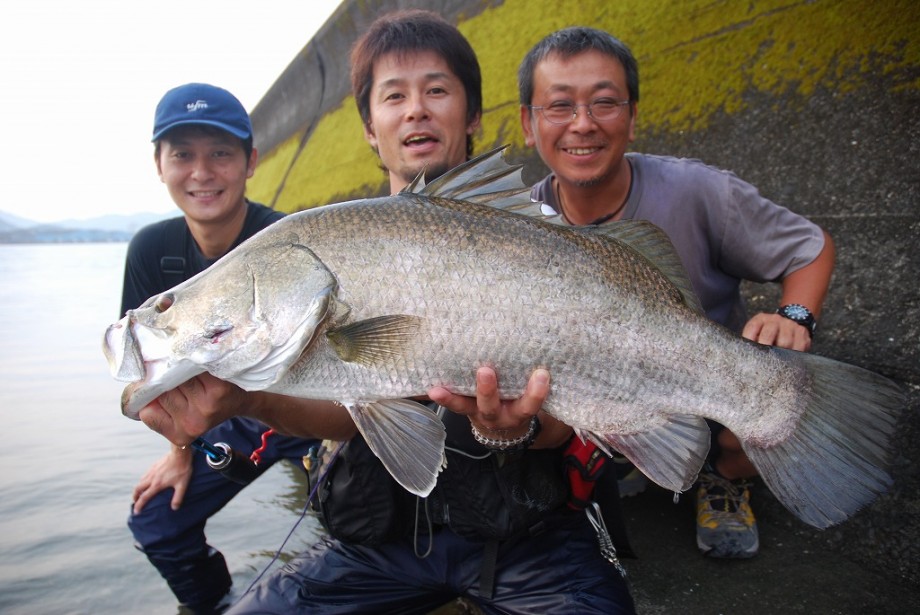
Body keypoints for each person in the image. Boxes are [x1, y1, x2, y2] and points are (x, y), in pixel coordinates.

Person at [136, 10, 636, 615]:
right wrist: (246, 399)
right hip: (377, 544)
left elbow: (575, 415)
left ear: (473, 115)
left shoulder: (548, 241)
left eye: (437, 90)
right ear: (370, 129)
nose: (416, 109)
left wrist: (520, 428)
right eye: (393, 95)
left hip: (526, 537)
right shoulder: (329, 245)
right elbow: (350, 412)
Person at [518, 27, 835, 559]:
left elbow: (810, 250)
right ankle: (617, 460)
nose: (582, 124)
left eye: (604, 103)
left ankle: (725, 476)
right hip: (585, 393)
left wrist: (795, 317)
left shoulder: (699, 191)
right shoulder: (514, 223)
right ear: (529, 123)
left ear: (633, 115)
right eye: (559, 106)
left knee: (777, 405)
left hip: (705, 383)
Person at [123, 83, 321, 613]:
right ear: (159, 164)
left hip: (306, 401)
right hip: (231, 415)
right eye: (182, 154)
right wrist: (179, 450)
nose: (202, 172)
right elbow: (153, 377)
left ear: (250, 161)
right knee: (156, 521)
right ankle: (211, 601)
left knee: (348, 510)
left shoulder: (286, 240)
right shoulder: (151, 252)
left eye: (220, 153)